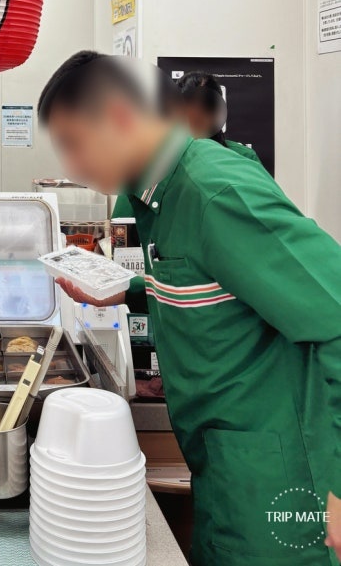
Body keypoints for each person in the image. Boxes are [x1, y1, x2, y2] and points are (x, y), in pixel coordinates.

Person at [38, 50, 341, 566]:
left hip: (281, 483)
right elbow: (209, 279)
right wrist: (129, 289)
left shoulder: (215, 191)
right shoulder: (158, 195)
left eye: (73, 143)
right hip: (227, 470)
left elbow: (333, 312)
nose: (71, 166)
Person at [113, 69, 262, 310]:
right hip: (166, 293)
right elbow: (123, 230)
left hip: (231, 293)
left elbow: (261, 232)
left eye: (203, 115)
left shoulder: (242, 160)